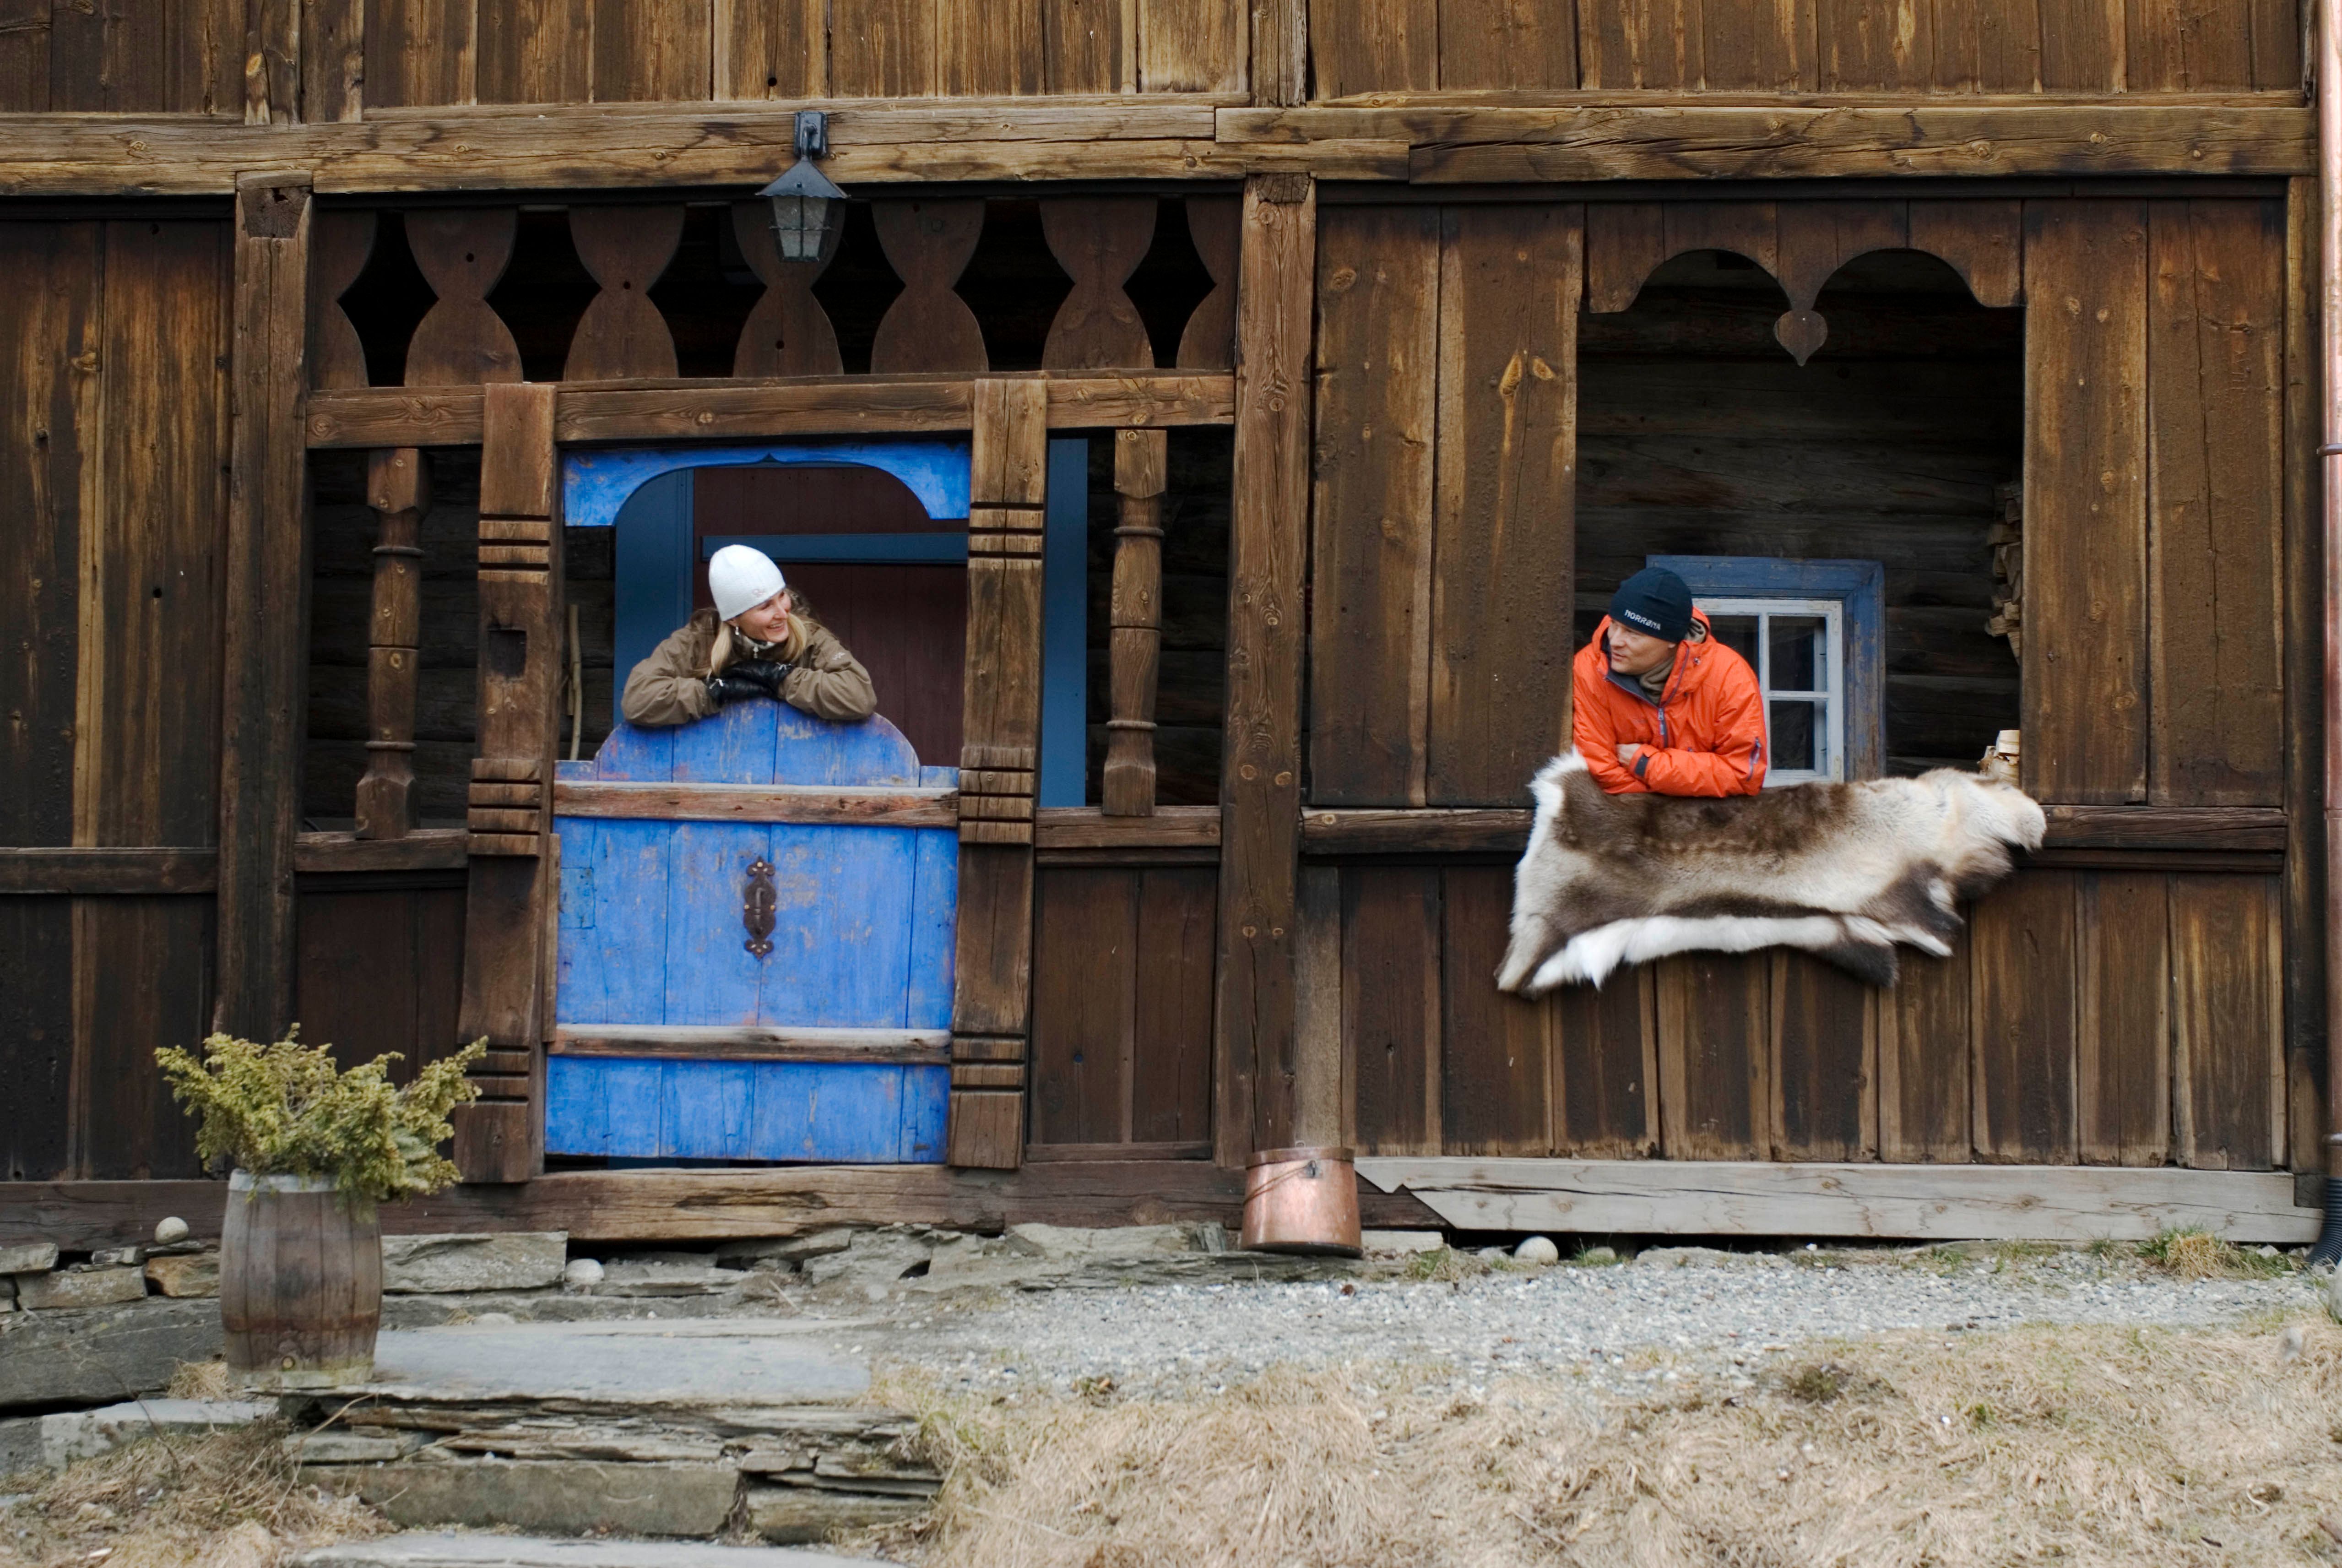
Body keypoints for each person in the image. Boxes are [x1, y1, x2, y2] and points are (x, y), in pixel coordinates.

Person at [621, 544, 877, 728]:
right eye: (765, 607)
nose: (783, 613)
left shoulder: (810, 637)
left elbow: (859, 697)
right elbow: (638, 700)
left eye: (782, 596)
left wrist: (783, 679)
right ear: (733, 618)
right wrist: (713, 692)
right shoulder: (699, 639)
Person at [1570, 565, 1767, 797]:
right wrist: (1687, 790)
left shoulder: (1729, 675)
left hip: (1708, 817)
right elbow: (1601, 772)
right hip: (1633, 815)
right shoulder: (1591, 668)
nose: (1615, 641)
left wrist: (1646, 765)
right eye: (1614, 625)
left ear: (1672, 640)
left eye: (1633, 633)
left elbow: (1744, 774)